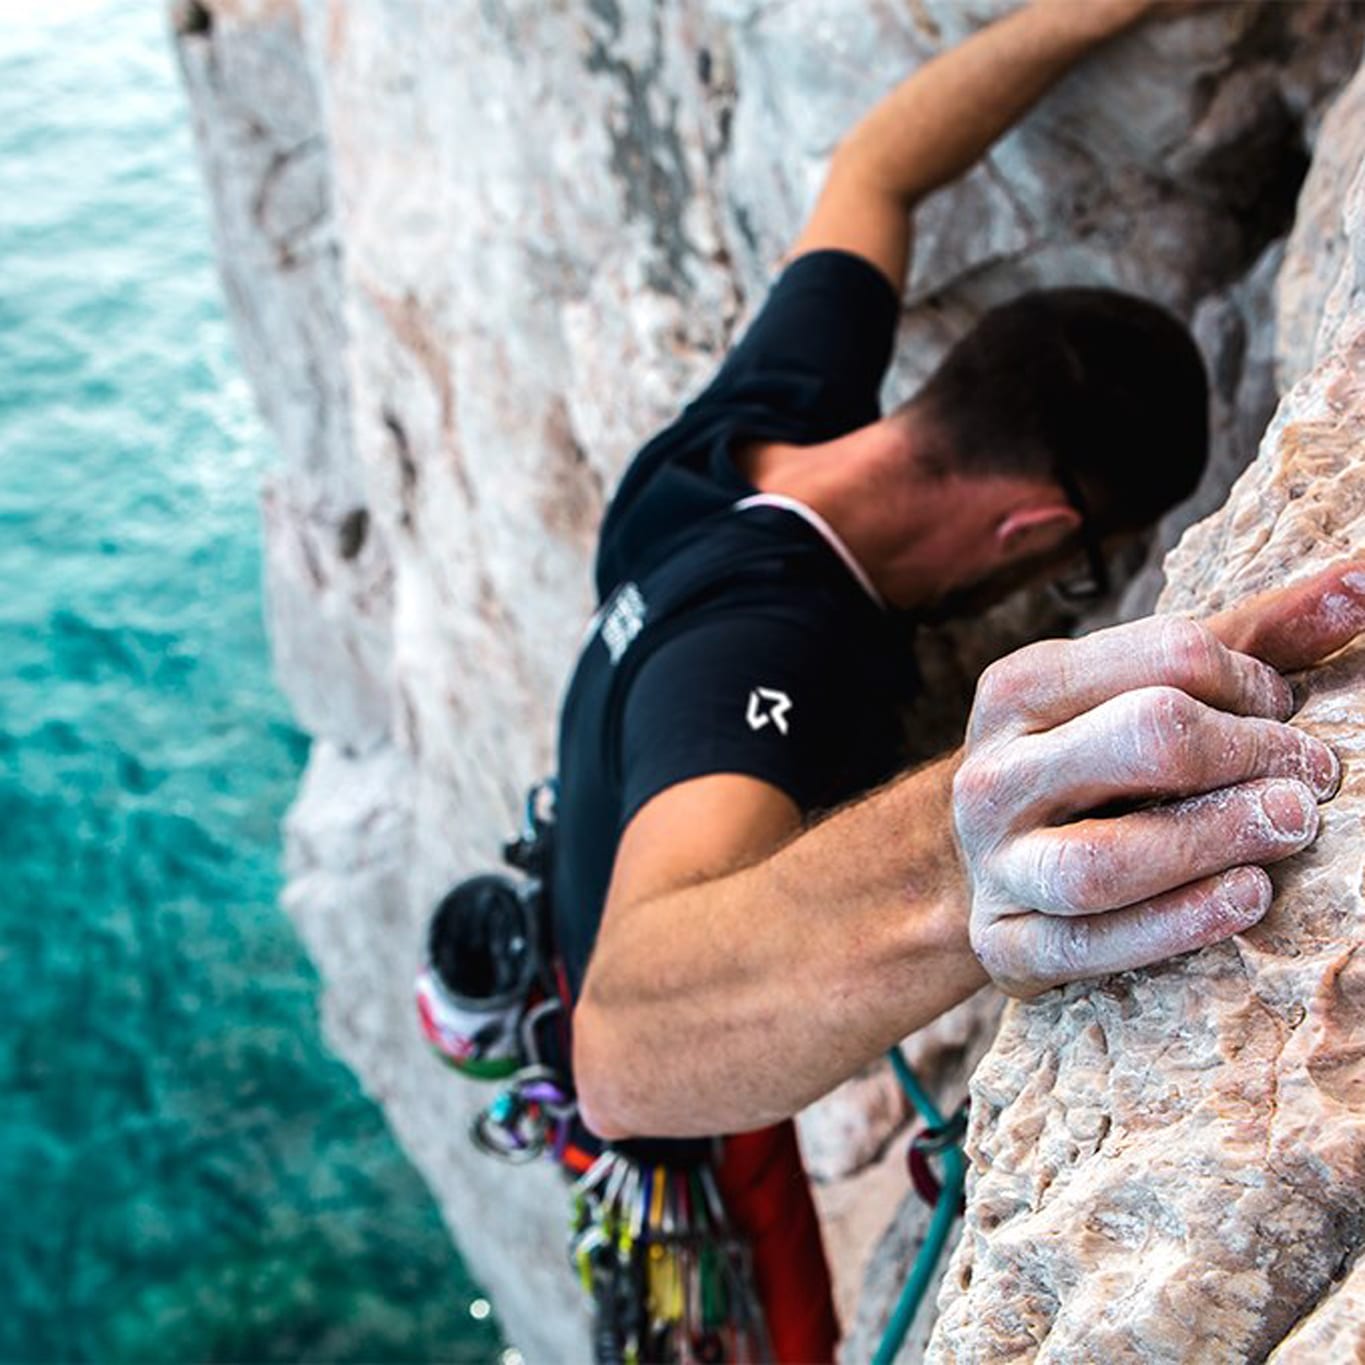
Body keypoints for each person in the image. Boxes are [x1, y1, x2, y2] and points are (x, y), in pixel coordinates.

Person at [549, 0, 1365, 1359]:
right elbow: (623, 1046)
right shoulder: (779, 647)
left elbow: (877, 163)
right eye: (1072, 568)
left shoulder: (760, 422)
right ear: (1034, 533)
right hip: (681, 1113)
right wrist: (962, 863)